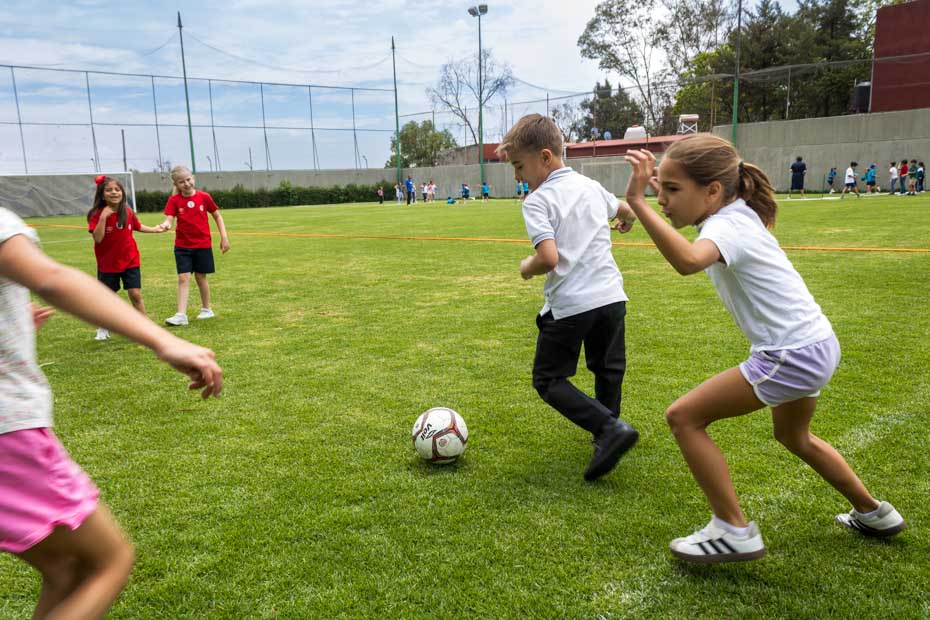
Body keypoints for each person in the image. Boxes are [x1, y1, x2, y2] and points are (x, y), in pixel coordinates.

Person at [621, 135, 906, 564]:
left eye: (671, 189)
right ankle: (874, 513)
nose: (662, 198)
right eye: (658, 187)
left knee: (684, 417)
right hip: (816, 343)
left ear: (713, 191)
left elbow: (688, 262)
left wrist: (636, 203)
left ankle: (733, 529)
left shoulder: (727, 225)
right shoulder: (734, 215)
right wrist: (645, 201)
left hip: (791, 353)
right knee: (794, 436)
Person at [0, 206, 223, 619]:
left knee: (64, 567)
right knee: (107, 561)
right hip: (8, 432)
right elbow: (52, 278)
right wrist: (161, 340)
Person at [497, 114, 640, 481]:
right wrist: (626, 221)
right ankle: (608, 434)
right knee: (607, 370)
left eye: (518, 166)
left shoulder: (537, 200)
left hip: (572, 304)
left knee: (548, 380)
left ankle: (609, 431)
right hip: (611, 296)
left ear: (545, 157)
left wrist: (527, 268)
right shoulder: (590, 185)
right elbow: (625, 210)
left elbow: (548, 258)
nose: (517, 177)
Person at [87, 175, 166, 340]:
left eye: (117, 189)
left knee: (135, 293)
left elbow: (138, 226)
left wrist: (154, 229)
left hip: (130, 259)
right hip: (108, 264)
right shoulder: (96, 214)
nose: (114, 192)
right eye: (109, 190)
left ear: (122, 193)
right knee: (108, 297)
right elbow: (98, 238)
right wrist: (103, 217)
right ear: (102, 195)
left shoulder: (128, 212)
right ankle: (103, 326)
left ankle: (146, 329)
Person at [159, 165, 230, 326]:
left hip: (202, 245)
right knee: (183, 278)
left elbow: (218, 217)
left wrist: (224, 237)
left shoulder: (204, 197)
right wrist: (165, 225)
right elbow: (169, 219)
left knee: (200, 277)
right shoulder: (174, 200)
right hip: (182, 246)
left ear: (194, 178)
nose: (186, 183)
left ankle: (206, 309)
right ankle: (181, 315)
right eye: (181, 182)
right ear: (176, 185)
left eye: (188, 179)